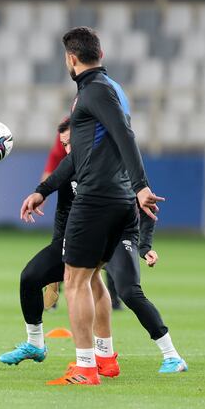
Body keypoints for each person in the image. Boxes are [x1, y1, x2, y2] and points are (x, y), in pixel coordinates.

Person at [22, 27, 164, 386]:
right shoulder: (110, 89)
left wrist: (142, 185)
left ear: (71, 58)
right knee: (92, 279)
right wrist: (44, 189)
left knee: (74, 280)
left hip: (97, 199)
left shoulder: (95, 92)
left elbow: (124, 134)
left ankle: (84, 367)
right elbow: (82, 156)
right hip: (114, 199)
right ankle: (104, 360)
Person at [3, 118, 188, 375]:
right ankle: (37, 344)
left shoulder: (112, 166)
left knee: (128, 292)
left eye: (71, 143)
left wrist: (144, 247)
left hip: (117, 235)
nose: (68, 150)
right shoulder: (69, 166)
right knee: (31, 276)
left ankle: (171, 356)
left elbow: (145, 207)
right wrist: (59, 251)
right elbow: (62, 210)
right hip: (81, 238)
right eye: (64, 145)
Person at [41, 131, 122, 311]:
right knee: (62, 242)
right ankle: (53, 292)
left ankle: (115, 297)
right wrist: (42, 193)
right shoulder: (68, 130)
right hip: (71, 192)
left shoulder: (101, 128)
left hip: (98, 193)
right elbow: (54, 160)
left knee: (105, 245)